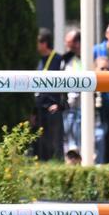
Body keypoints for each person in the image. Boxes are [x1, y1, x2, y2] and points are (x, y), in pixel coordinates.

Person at [34, 28, 64, 161]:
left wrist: (59, 104)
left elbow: (65, 85)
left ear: (44, 43)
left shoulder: (58, 60)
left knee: (54, 145)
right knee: (40, 145)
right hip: (39, 109)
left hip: (52, 109)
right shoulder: (37, 60)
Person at [61, 29, 82, 153]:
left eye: (68, 42)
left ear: (77, 43)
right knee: (68, 138)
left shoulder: (87, 57)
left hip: (83, 105)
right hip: (69, 105)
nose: (66, 44)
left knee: (81, 137)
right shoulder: (66, 59)